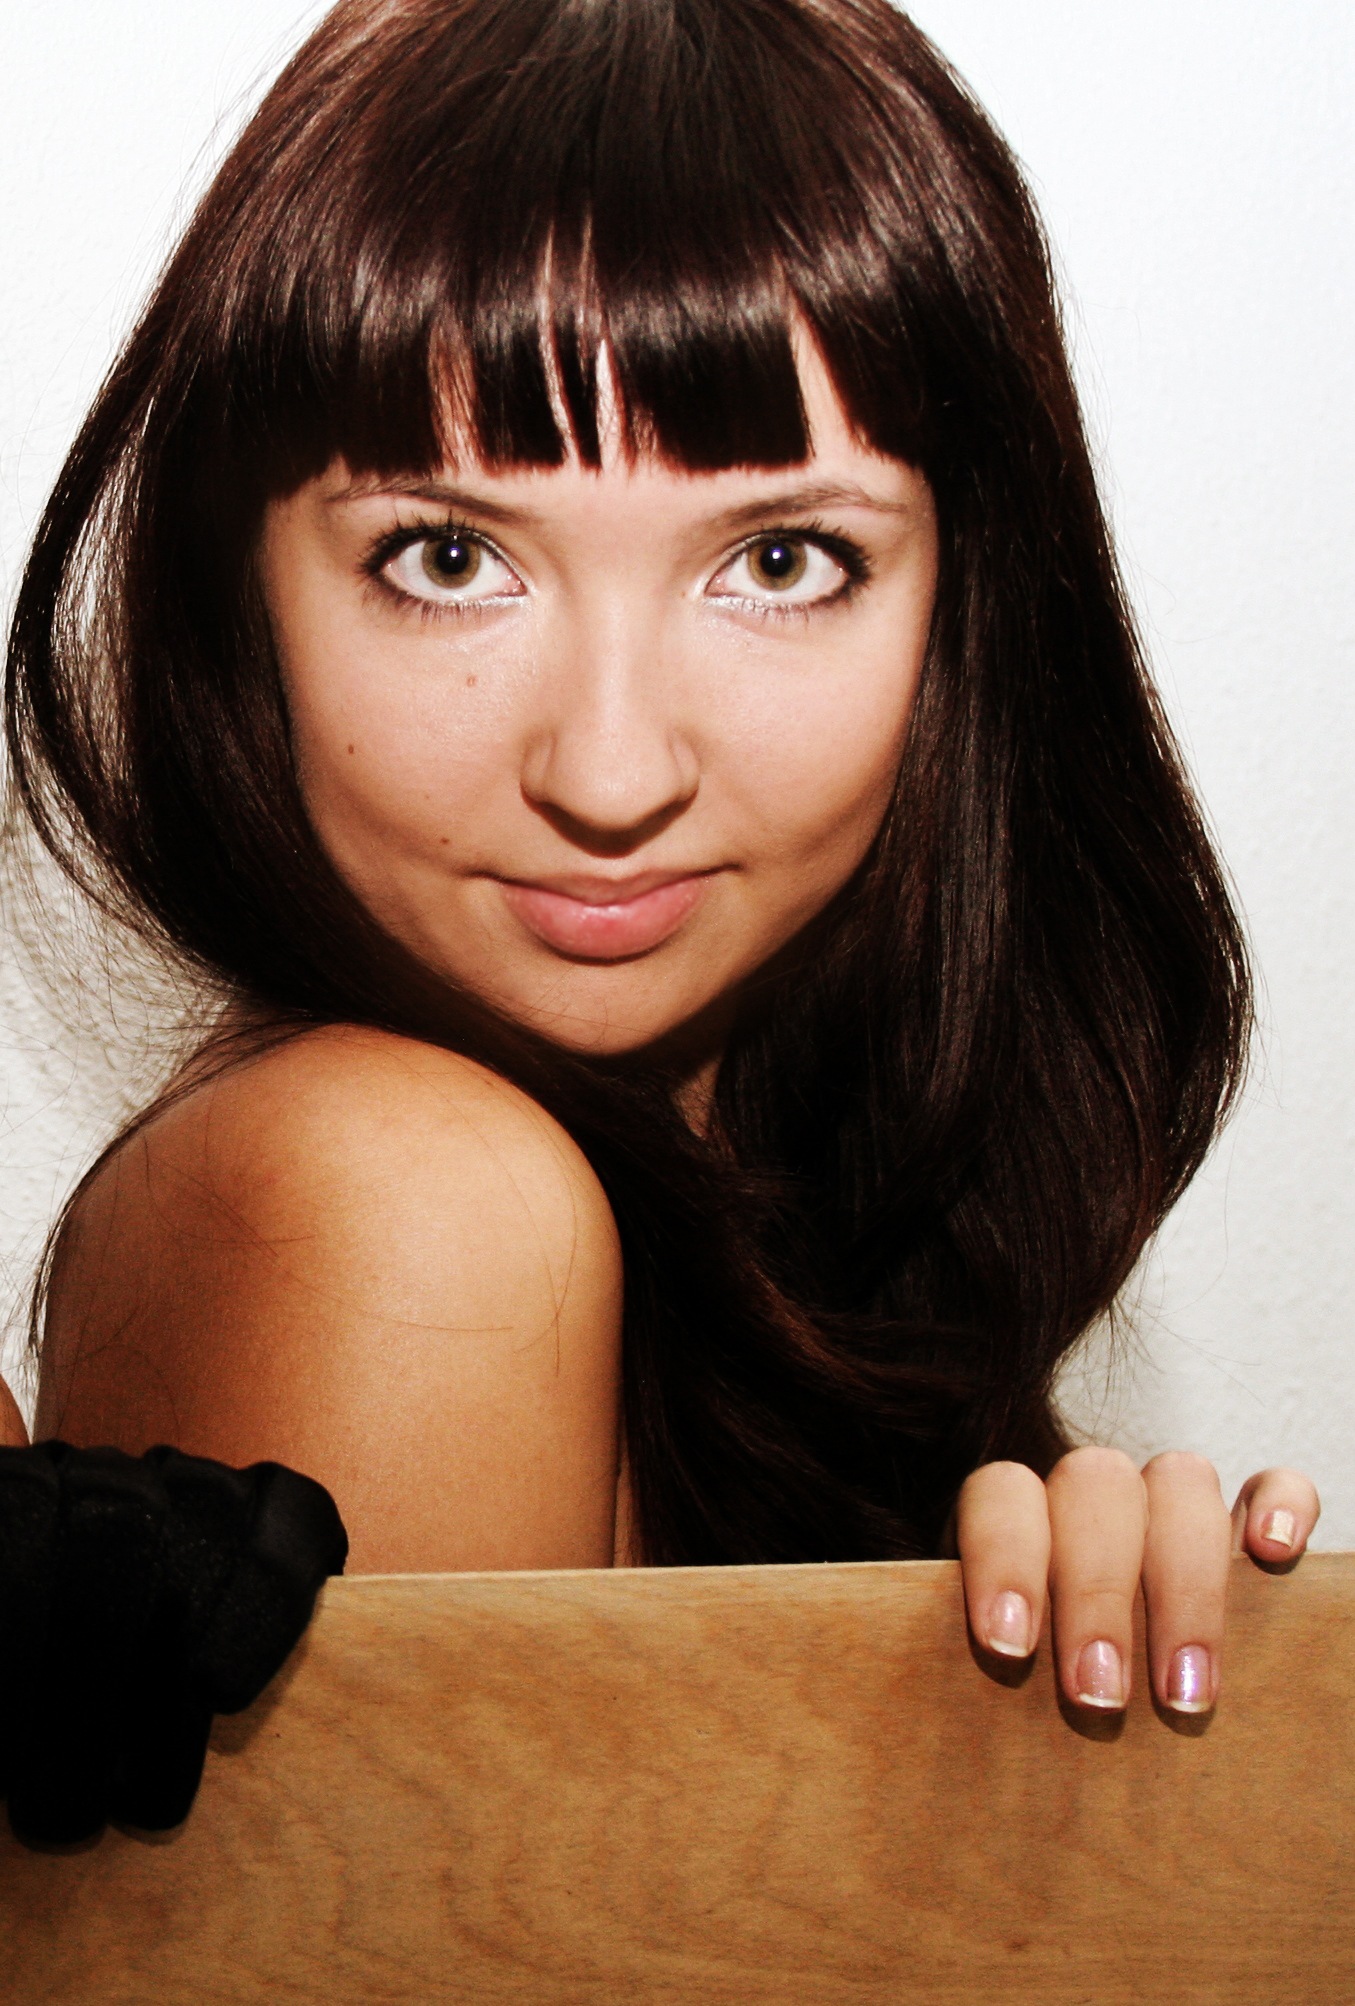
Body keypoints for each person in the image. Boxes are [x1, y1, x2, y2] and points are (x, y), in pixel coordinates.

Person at [2, 0, 1318, 1834]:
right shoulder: (409, 1197)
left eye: (780, 560)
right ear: (245, 603)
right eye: (449, 557)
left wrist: (1030, 1754)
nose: (612, 771)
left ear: (966, 610)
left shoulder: (766, 1258)